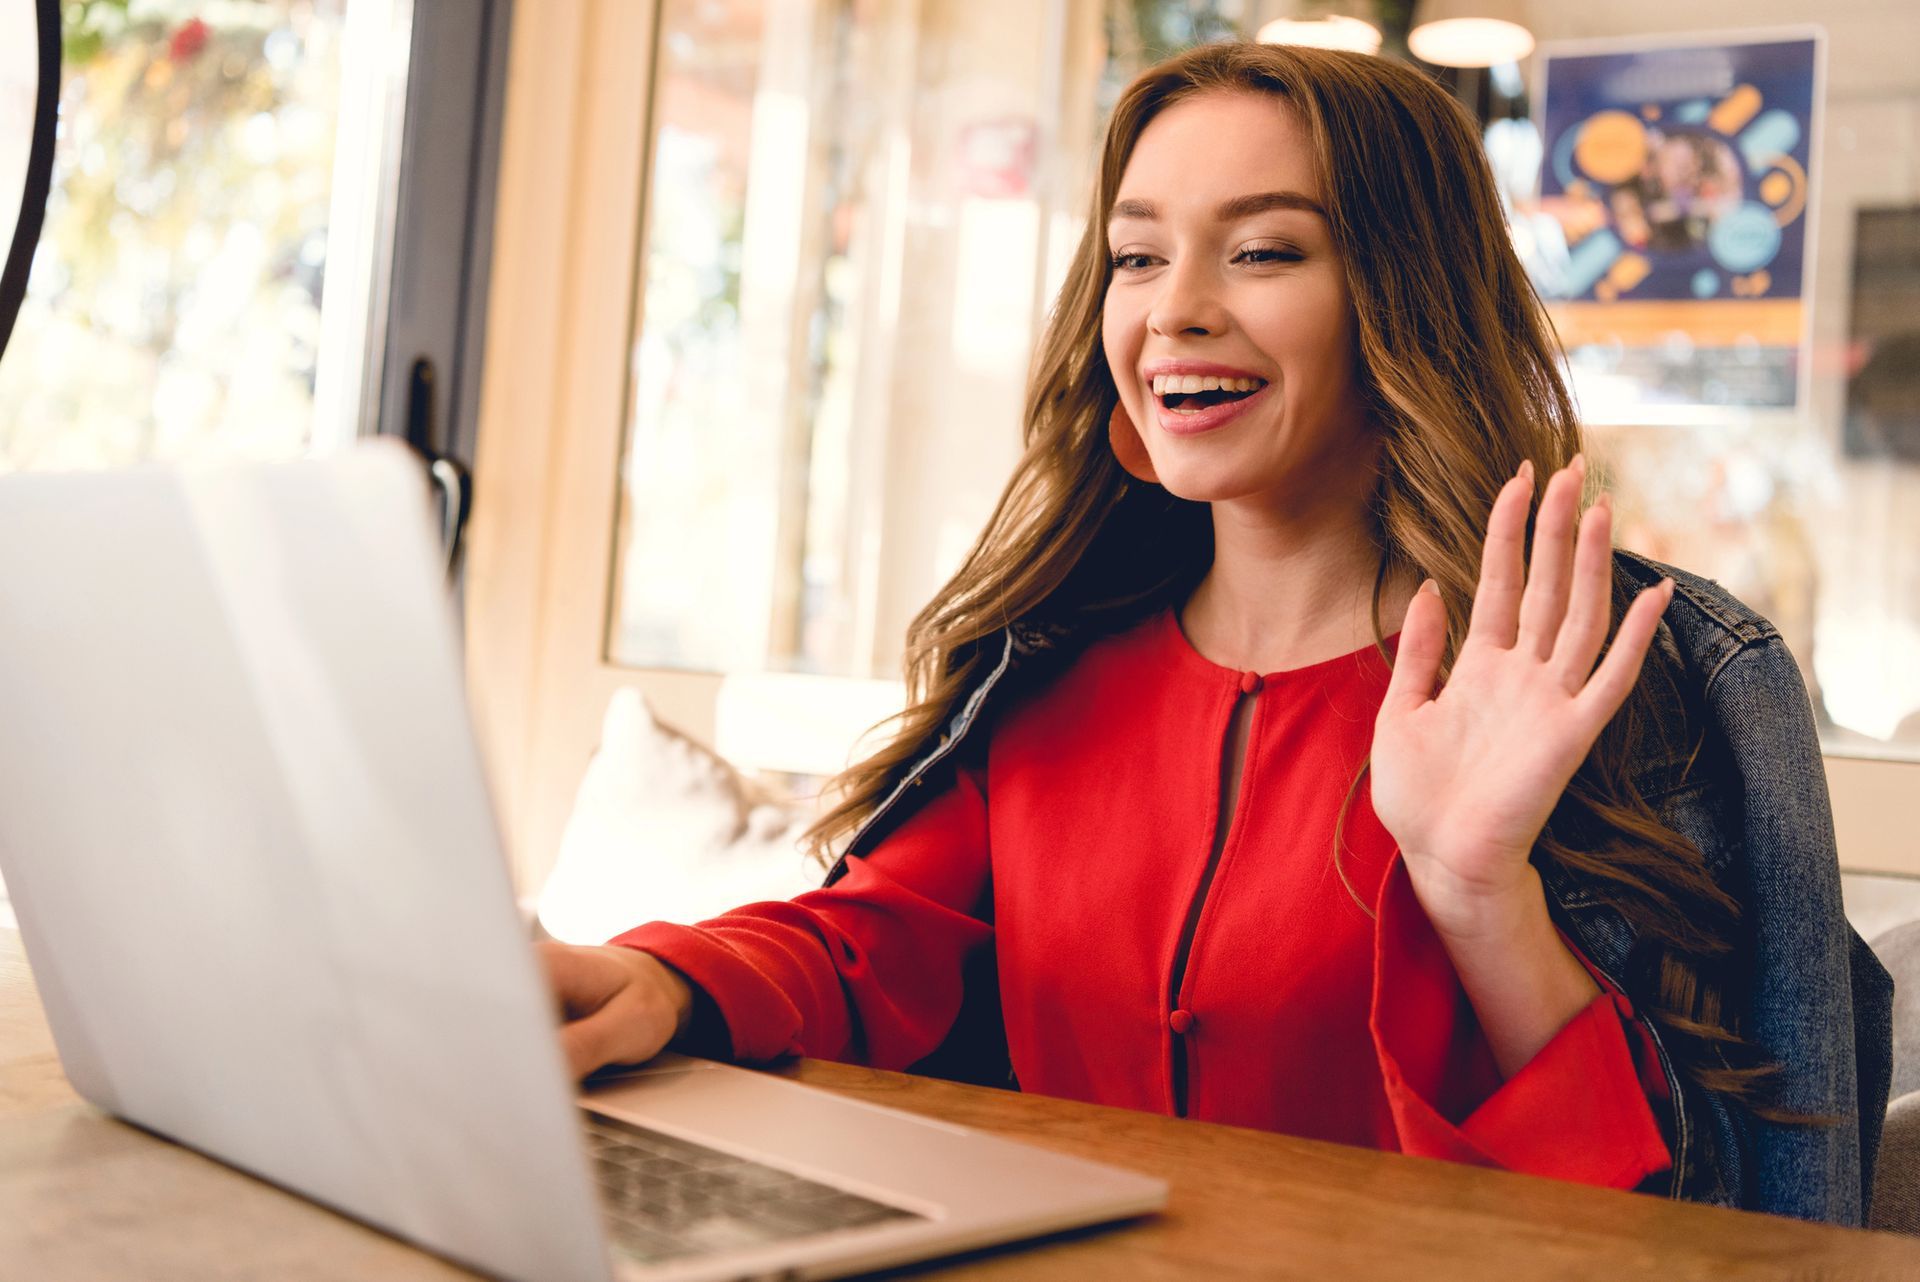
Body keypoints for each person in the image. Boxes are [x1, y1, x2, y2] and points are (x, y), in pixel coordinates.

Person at [538, 42, 1888, 1223]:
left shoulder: (1620, 684)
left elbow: (1709, 1221)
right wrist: (652, 979)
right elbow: (868, 939)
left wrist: (1479, 893)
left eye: (1263, 250)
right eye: (1136, 254)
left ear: (1399, 301)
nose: (1173, 306)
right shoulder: (1047, 666)